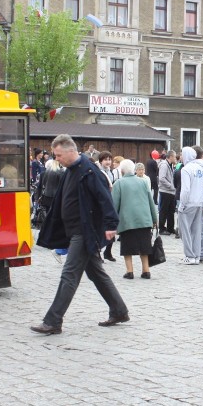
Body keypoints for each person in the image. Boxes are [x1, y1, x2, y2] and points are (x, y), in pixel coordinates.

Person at [31, 134, 129, 335]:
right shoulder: (70, 170)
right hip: (75, 229)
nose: (56, 159)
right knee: (96, 273)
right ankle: (119, 310)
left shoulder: (89, 171)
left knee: (69, 274)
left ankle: (53, 320)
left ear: (70, 151)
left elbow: (105, 199)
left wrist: (111, 225)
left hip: (85, 231)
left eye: (58, 155)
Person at [112, 159, 158, 280]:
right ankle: (146, 270)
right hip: (144, 219)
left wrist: (111, 221)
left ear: (121, 171)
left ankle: (130, 271)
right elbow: (150, 201)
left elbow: (114, 204)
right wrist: (154, 218)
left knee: (127, 246)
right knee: (145, 245)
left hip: (127, 221)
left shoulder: (118, 183)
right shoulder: (143, 182)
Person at [177, 146, 203, 264]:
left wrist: (181, 205)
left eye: (182, 154)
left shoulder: (186, 169)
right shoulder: (200, 168)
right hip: (199, 203)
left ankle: (189, 256)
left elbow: (185, 190)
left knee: (185, 231)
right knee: (196, 231)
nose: (180, 157)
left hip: (188, 203)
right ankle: (196, 256)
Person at [157, 151, 177, 235]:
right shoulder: (164, 165)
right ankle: (161, 228)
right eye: (174, 157)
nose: (175, 158)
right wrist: (170, 186)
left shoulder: (170, 165)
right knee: (164, 210)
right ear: (171, 157)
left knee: (171, 211)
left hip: (170, 192)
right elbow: (162, 178)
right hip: (165, 191)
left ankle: (170, 227)